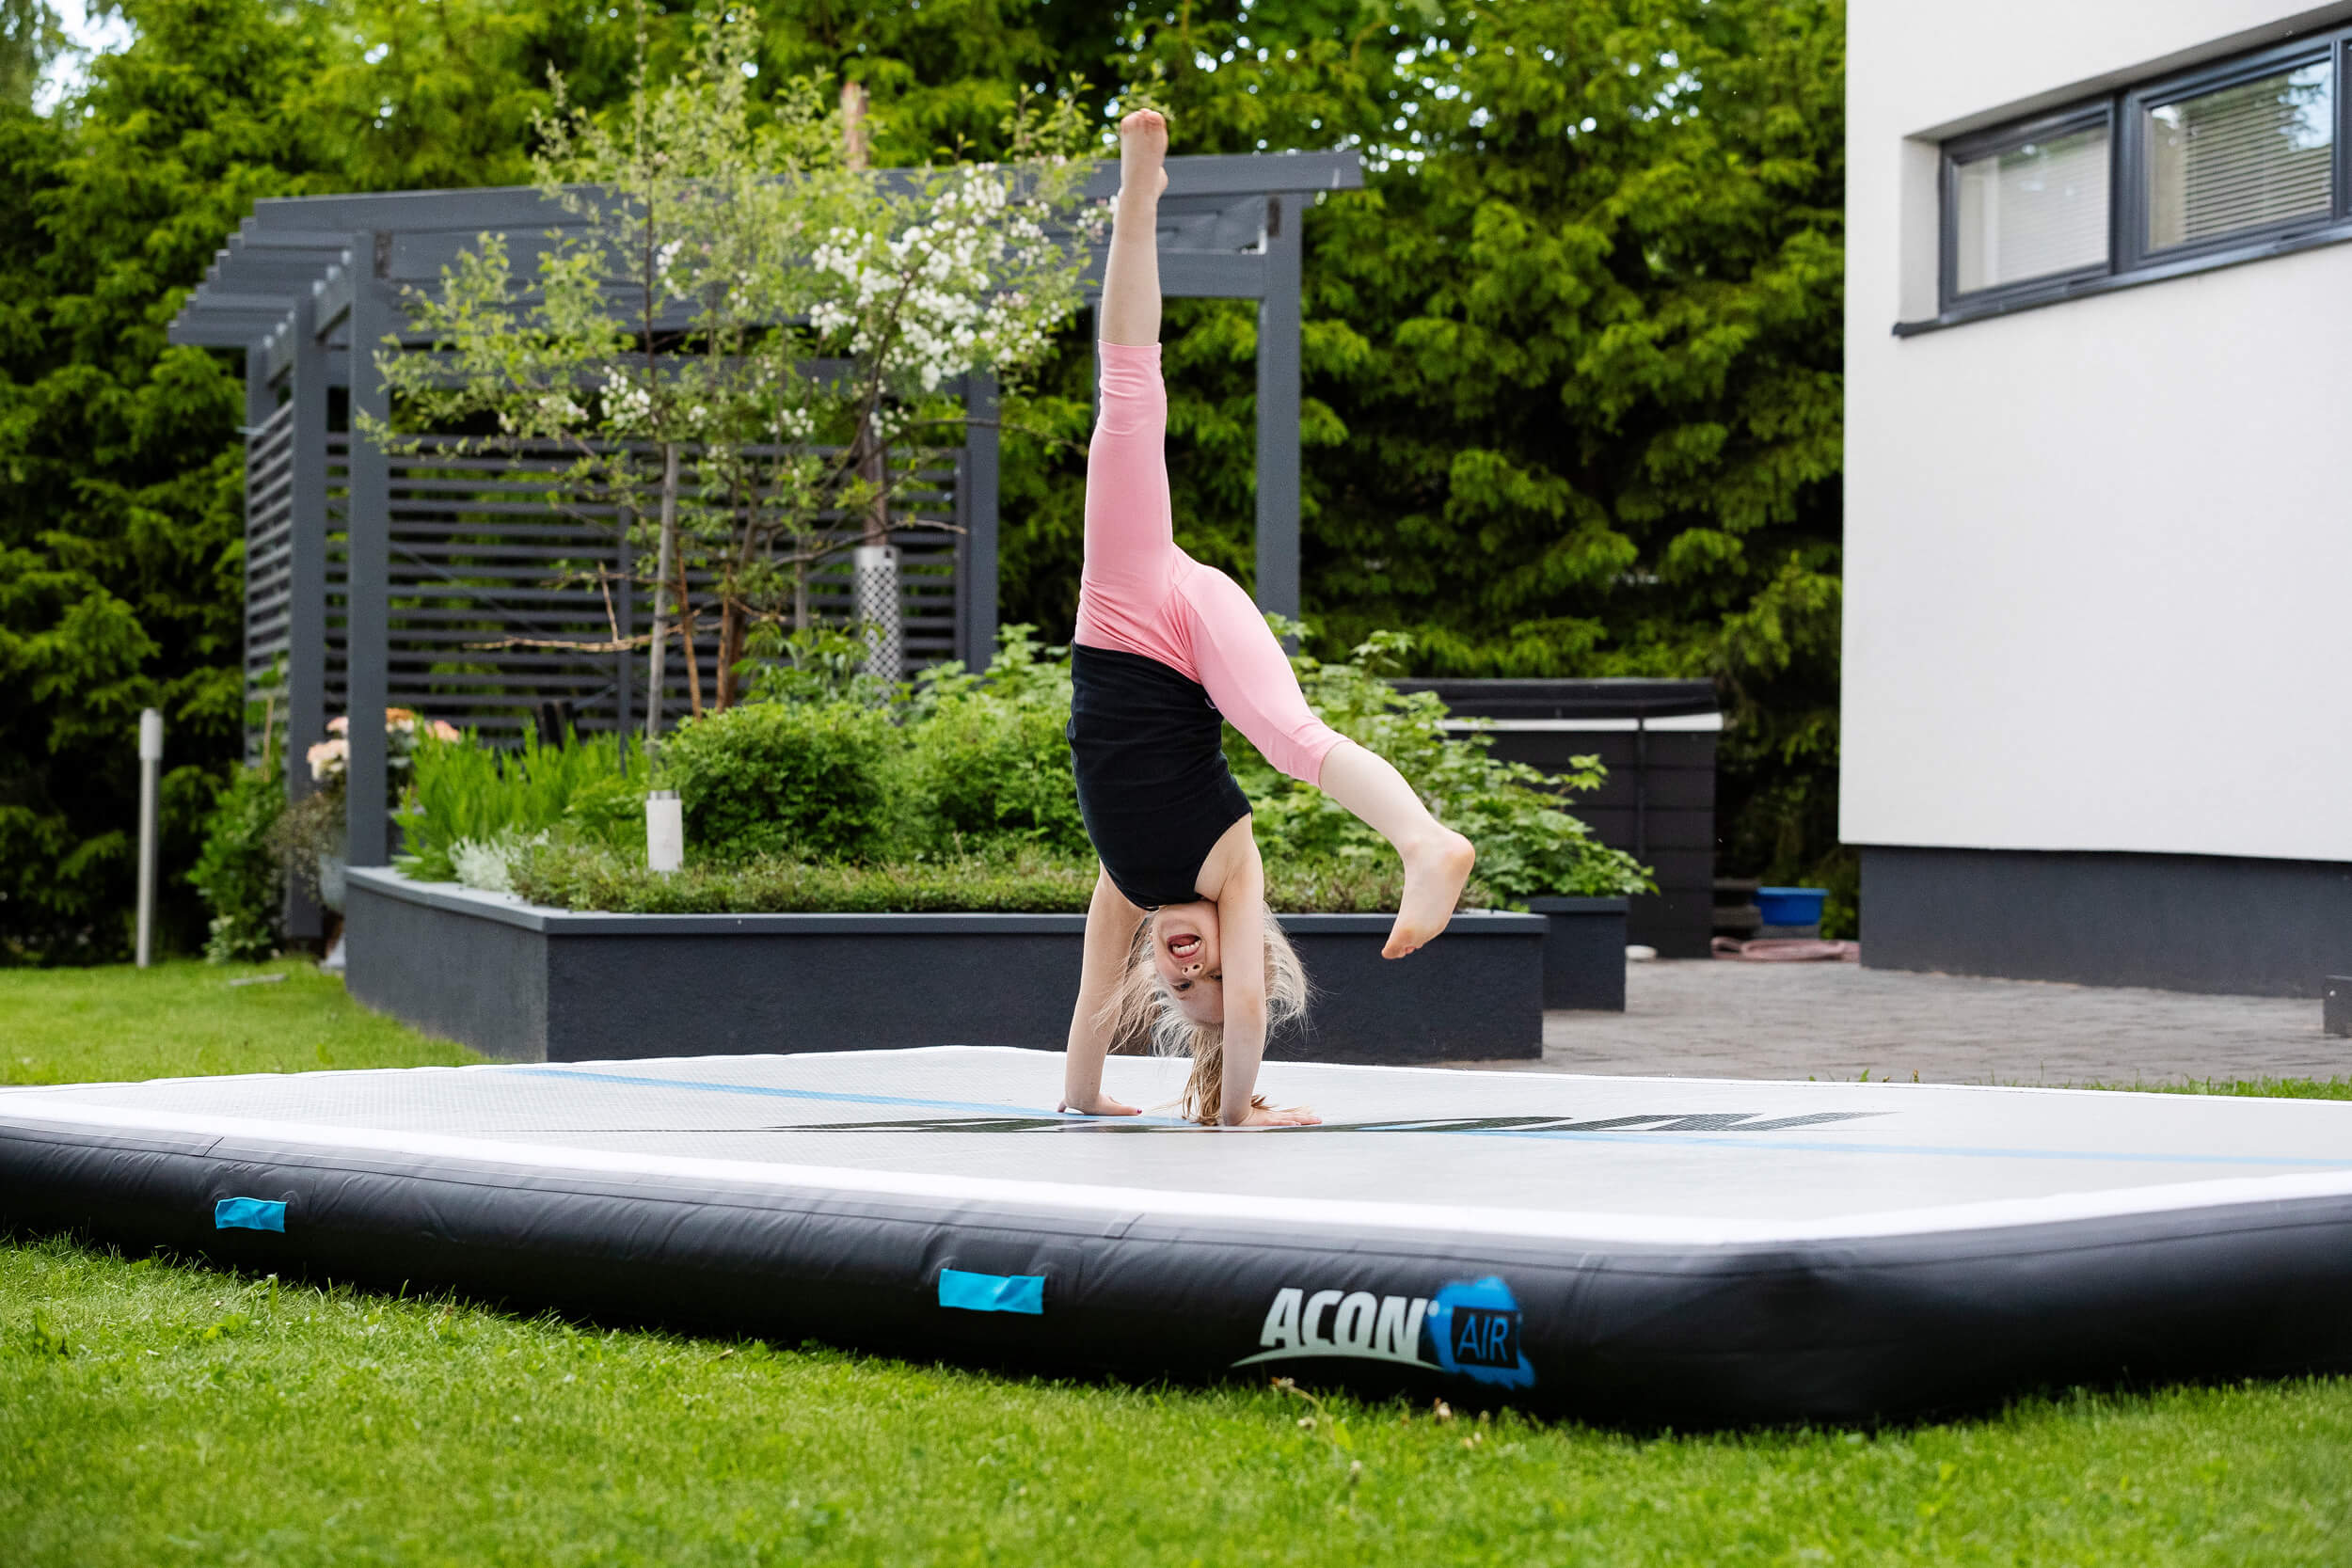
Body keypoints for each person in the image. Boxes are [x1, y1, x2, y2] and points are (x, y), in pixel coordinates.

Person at [1057, 109, 1475, 1129]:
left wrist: (1082, 1097)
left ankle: (1137, 202)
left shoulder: (1123, 885)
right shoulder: (1229, 867)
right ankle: (1425, 842)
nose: (1185, 970)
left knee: (1124, 400)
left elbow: (1084, 1012)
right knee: (1292, 740)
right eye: (1204, 977)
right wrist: (1231, 1111)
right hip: (1193, 628)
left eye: (1173, 985)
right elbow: (1243, 1008)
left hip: (1120, 611)